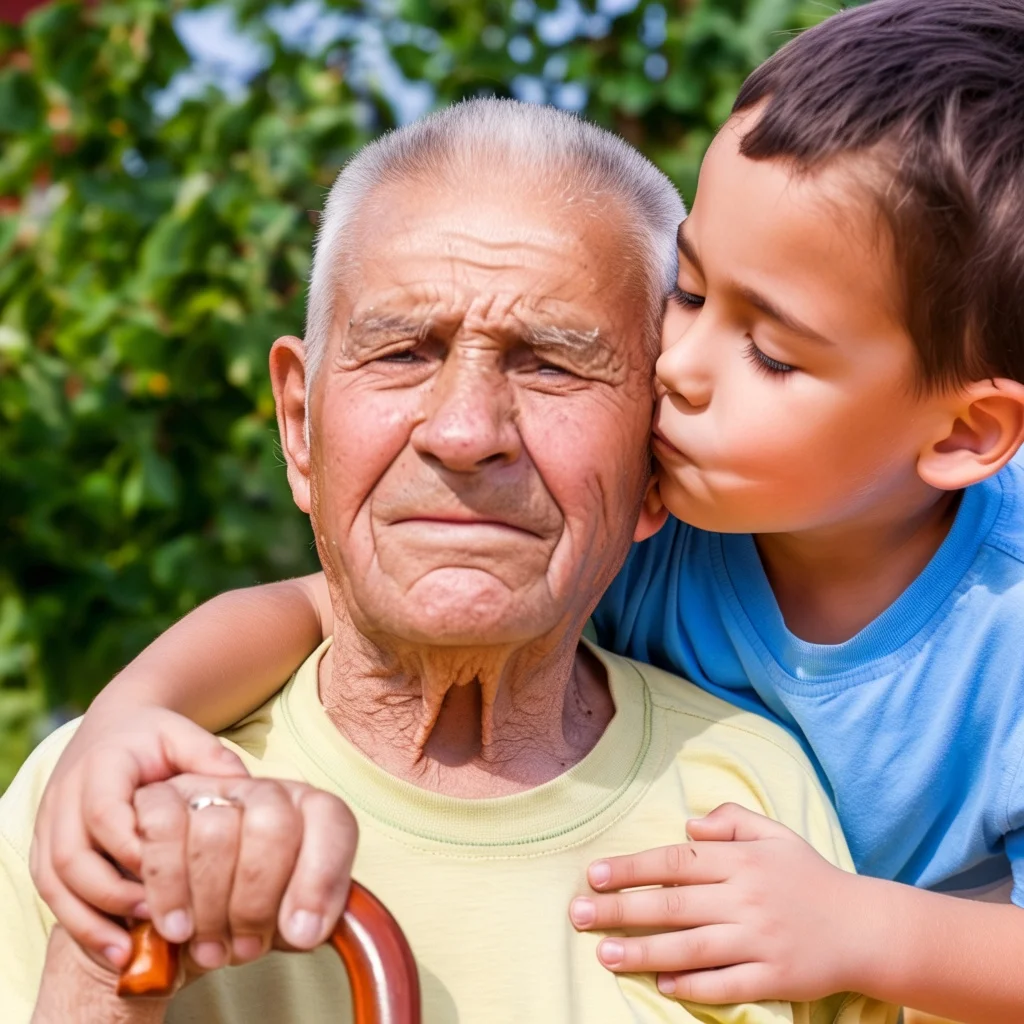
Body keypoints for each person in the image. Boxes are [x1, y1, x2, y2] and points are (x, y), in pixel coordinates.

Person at [27, 1, 1024, 1022]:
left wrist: (869, 930)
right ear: (298, 421)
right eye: (688, 293)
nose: (677, 369)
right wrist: (130, 717)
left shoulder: (986, 641)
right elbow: (320, 602)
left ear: (961, 435)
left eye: (770, 353)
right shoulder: (686, 502)